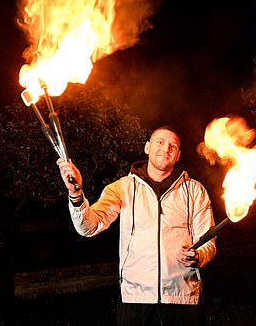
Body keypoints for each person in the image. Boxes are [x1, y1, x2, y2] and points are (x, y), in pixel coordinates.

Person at [57, 126, 217, 326]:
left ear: (178, 156)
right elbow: (89, 227)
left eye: (173, 146)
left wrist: (199, 256)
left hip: (183, 301)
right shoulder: (122, 188)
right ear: (147, 147)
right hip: (135, 302)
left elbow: (208, 243)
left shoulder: (194, 191)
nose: (166, 148)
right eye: (160, 142)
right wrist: (76, 194)